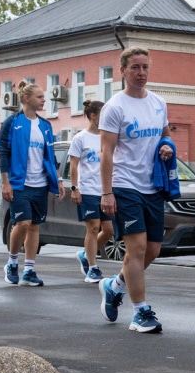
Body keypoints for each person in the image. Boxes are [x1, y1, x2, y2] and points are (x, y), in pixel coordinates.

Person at [97, 47, 175, 334]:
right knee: (137, 248)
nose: (141, 73)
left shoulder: (158, 103)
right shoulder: (115, 107)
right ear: (123, 71)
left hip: (153, 185)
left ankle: (115, 285)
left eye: (145, 67)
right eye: (135, 67)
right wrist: (107, 193)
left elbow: (166, 136)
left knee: (152, 249)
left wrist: (167, 147)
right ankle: (140, 312)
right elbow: (106, 152)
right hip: (125, 184)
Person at [0, 81, 64, 287]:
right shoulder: (11, 123)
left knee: (35, 226)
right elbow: (4, 153)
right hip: (19, 184)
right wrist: (6, 182)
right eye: (40, 97)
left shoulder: (45, 125)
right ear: (27, 99)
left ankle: (28, 270)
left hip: (40, 184)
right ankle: (12, 262)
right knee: (23, 223)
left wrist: (58, 179)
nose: (44, 100)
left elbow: (50, 155)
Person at [68, 99, 113, 283]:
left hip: (105, 191)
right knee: (93, 227)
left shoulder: (107, 137)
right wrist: (74, 188)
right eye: (104, 114)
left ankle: (85, 255)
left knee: (109, 231)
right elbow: (73, 165)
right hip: (87, 190)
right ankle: (93, 269)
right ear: (93, 116)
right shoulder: (80, 138)